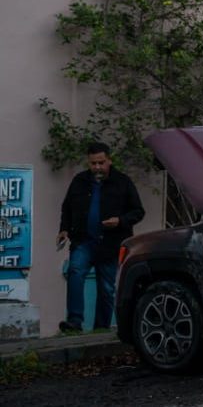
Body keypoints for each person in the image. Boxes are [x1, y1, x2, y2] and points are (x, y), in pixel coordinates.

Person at [58, 142, 144, 332]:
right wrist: (63, 229)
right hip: (83, 241)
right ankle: (74, 321)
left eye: (101, 162)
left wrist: (120, 221)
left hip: (111, 244)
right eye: (93, 163)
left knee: (106, 288)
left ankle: (101, 327)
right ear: (88, 162)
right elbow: (67, 207)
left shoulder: (123, 182)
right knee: (75, 272)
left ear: (109, 161)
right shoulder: (79, 181)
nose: (97, 167)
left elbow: (138, 211)